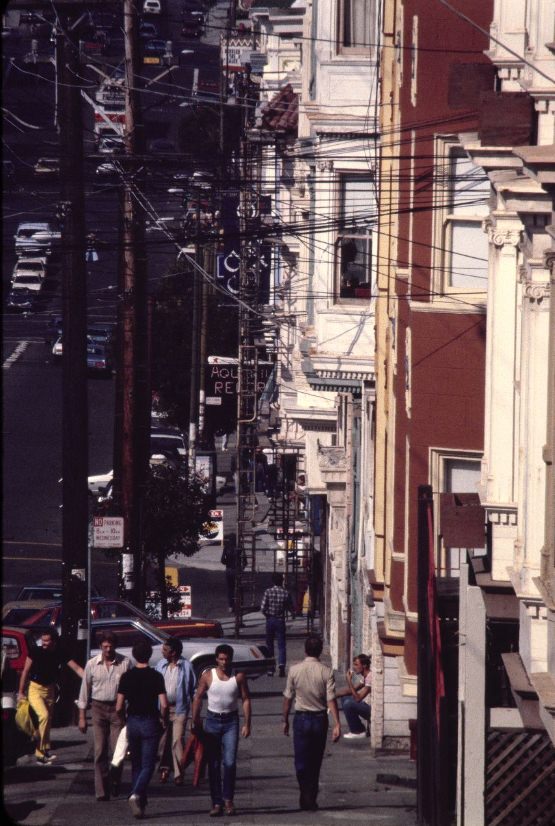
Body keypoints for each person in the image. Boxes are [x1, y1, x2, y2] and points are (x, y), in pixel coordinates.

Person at [191, 643, 251, 817]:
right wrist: (195, 719)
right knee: (214, 764)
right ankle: (216, 802)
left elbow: (246, 699)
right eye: (221, 659)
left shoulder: (238, 677)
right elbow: (198, 697)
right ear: (217, 659)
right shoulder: (208, 676)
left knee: (230, 762)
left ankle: (228, 800)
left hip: (231, 722)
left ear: (231, 659)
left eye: (227, 659)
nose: (224, 662)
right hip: (212, 721)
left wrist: (248, 723)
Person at [282, 634, 341, 811]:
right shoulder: (326, 671)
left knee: (301, 761)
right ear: (321, 651)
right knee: (315, 760)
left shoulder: (294, 670)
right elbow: (331, 699)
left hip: (301, 719)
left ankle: (304, 792)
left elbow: (288, 697)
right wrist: (337, 723)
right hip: (319, 719)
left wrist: (284, 719)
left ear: (305, 650)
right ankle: (311, 796)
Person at [116, 640, 168, 819]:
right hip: (150, 721)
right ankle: (136, 794)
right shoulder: (156, 676)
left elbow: (119, 705)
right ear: (150, 655)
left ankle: (140, 806)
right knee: (149, 764)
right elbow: (164, 704)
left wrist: (123, 719)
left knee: (136, 764)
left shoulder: (126, 676)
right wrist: (164, 719)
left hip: (132, 721)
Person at [17, 628, 84, 765]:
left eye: (47, 640)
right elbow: (25, 671)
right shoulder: (35, 652)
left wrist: (88, 679)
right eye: (43, 640)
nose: (44, 643)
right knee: (44, 716)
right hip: (35, 689)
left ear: (54, 641)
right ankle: (40, 754)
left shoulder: (60, 652)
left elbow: (76, 668)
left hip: (50, 690)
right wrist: (21, 692)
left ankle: (43, 753)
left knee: (47, 723)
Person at [77, 631, 130, 800]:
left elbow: (130, 689)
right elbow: (84, 691)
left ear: (115, 646)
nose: (108, 649)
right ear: (100, 647)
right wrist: (82, 717)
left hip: (118, 709)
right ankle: (101, 790)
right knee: (99, 751)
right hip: (98, 708)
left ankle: (115, 781)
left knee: (117, 750)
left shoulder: (125, 663)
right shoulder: (92, 664)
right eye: (105, 646)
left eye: (111, 646)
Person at [155, 637, 196, 786]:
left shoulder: (186, 666)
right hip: (163, 709)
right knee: (162, 743)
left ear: (173, 653)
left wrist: (194, 716)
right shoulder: (160, 665)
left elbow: (194, 691)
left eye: (165, 650)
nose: (162, 652)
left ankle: (179, 773)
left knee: (177, 740)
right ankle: (164, 769)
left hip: (179, 709)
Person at [260, 572, 294, 677]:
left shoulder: (268, 592)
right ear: (282, 581)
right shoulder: (285, 593)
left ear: (273, 581)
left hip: (270, 619)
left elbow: (262, 608)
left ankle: (270, 668)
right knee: (281, 645)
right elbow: (290, 607)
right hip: (280, 620)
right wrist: (292, 613)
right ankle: (282, 665)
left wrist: (267, 615)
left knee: (269, 644)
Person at [335, 654, 372, 738]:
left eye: (356, 664)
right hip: (367, 707)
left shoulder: (370, 677)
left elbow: (358, 698)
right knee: (345, 698)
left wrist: (349, 681)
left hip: (372, 712)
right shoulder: (365, 677)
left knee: (348, 703)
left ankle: (358, 731)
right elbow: (352, 690)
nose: (354, 667)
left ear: (364, 665)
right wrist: (333, 695)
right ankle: (358, 727)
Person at [221, 533, 244, 613]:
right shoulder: (240, 548)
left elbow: (222, 560)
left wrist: (228, 563)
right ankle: (240, 604)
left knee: (230, 589)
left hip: (229, 570)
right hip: (237, 570)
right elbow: (245, 561)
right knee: (239, 588)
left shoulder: (226, 548)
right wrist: (241, 568)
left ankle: (231, 606)